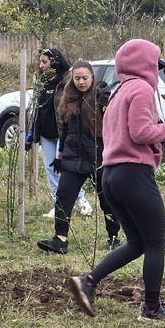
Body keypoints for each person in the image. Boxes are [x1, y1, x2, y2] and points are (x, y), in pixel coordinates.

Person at [67, 38, 165, 320]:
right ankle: (151, 308)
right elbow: (140, 132)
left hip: (112, 176)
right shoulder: (140, 89)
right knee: (156, 242)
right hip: (133, 173)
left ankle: (87, 281)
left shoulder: (118, 91)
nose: (158, 70)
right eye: (155, 64)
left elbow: (126, 133)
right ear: (144, 65)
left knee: (138, 242)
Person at [37, 59, 121, 254]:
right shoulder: (69, 97)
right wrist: (59, 156)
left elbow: (112, 121)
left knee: (107, 200)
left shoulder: (102, 94)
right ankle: (60, 239)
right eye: (77, 78)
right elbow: (64, 129)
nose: (81, 82)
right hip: (73, 157)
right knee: (63, 197)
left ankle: (114, 237)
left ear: (92, 77)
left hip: (98, 157)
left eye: (84, 78)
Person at [27, 47, 91, 218]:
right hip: (46, 134)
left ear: (54, 62)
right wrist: (32, 131)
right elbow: (38, 109)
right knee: (51, 170)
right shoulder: (42, 82)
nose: (41, 65)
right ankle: (58, 205)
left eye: (45, 62)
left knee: (67, 169)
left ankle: (81, 201)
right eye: (40, 62)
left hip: (63, 133)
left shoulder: (67, 82)